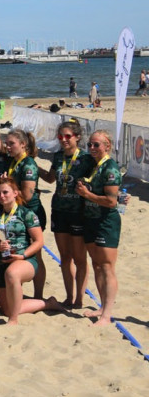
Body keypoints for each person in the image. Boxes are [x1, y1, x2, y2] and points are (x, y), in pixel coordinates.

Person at [0, 179, 62, 325]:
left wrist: (23, 255)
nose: (2, 196)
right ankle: (47, 304)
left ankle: (13, 320)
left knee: (12, 274)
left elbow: (39, 241)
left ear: (15, 193)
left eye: (5, 192)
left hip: (25, 260)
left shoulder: (26, 213)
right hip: (2, 261)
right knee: (7, 309)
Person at [38, 120, 94, 309]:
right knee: (65, 256)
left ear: (77, 137)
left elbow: (100, 180)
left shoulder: (87, 158)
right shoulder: (58, 156)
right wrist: (32, 165)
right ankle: (69, 297)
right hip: (59, 211)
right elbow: (50, 178)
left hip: (79, 212)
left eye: (68, 136)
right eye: (60, 136)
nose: (63, 140)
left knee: (80, 258)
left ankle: (79, 298)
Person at [76, 130, 123, 326]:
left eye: (97, 145)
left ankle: (107, 314)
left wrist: (88, 195)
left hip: (106, 222)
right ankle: (102, 307)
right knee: (96, 265)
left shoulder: (110, 168)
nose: (92, 148)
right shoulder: (92, 164)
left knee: (107, 267)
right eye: (90, 145)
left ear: (107, 146)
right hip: (90, 220)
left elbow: (112, 202)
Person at [3, 129, 47, 296]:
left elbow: (27, 195)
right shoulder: (15, 161)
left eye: (11, 143)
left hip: (31, 211)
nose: (7, 147)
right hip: (19, 211)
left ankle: (38, 294)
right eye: (7, 143)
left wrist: (8, 188)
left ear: (23, 144)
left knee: (36, 254)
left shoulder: (27, 163)